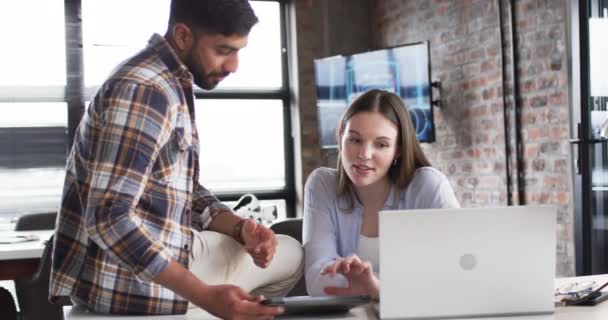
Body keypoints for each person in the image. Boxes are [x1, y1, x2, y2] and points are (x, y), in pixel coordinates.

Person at [49, 0, 302, 318]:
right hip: (130, 286)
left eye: (238, 51)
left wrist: (239, 228)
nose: (235, 65)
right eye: (224, 50)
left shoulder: (166, 82)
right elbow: (109, 218)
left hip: (134, 274)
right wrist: (205, 295)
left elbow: (181, 190)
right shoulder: (145, 89)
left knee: (277, 251)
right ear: (182, 36)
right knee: (291, 252)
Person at [303, 89, 459, 300]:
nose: (364, 155)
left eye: (381, 144)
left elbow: (454, 276)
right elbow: (316, 281)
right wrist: (395, 286)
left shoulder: (428, 186)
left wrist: (377, 287)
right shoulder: (322, 185)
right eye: (355, 140)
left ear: (399, 149)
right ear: (341, 136)